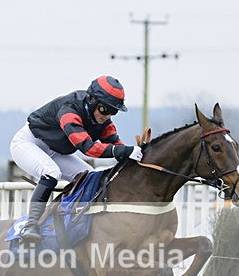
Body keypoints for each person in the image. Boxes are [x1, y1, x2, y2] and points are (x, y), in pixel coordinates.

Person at [9, 75, 143, 242]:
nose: (107, 116)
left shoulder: (104, 120)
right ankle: (31, 225)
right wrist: (124, 151)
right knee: (51, 172)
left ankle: (75, 220)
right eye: (104, 109)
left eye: (113, 111)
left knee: (90, 176)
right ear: (92, 101)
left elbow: (116, 145)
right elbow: (88, 148)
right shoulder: (69, 110)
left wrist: (136, 156)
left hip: (55, 150)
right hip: (29, 143)